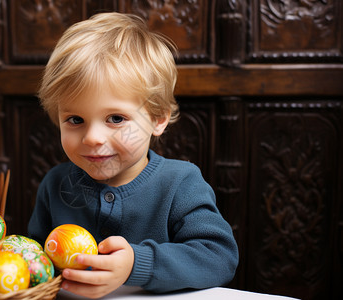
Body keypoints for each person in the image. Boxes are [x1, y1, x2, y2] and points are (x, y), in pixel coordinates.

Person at [28, 12, 239, 299]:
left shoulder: (180, 183)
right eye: (75, 120)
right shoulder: (55, 184)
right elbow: (35, 260)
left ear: (158, 118)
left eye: (115, 118)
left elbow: (219, 257)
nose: (92, 138)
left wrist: (136, 265)